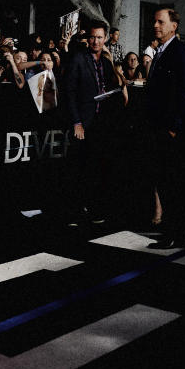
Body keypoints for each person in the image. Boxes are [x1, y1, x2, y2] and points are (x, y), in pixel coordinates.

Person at [63, 21, 125, 224]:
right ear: (87, 39)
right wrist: (76, 122)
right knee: (77, 168)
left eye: (99, 37)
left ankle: (93, 208)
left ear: (106, 38)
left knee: (95, 167)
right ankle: (73, 211)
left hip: (100, 124)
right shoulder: (78, 59)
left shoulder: (106, 63)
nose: (96, 41)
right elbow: (69, 93)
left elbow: (111, 90)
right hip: (83, 123)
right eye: (92, 37)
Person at [144, 8, 185, 248]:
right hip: (158, 128)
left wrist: (175, 127)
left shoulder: (180, 52)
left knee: (173, 182)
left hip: (170, 131)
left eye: (161, 22)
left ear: (174, 26)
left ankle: (175, 233)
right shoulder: (160, 51)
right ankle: (173, 232)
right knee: (163, 181)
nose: (156, 25)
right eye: (154, 21)